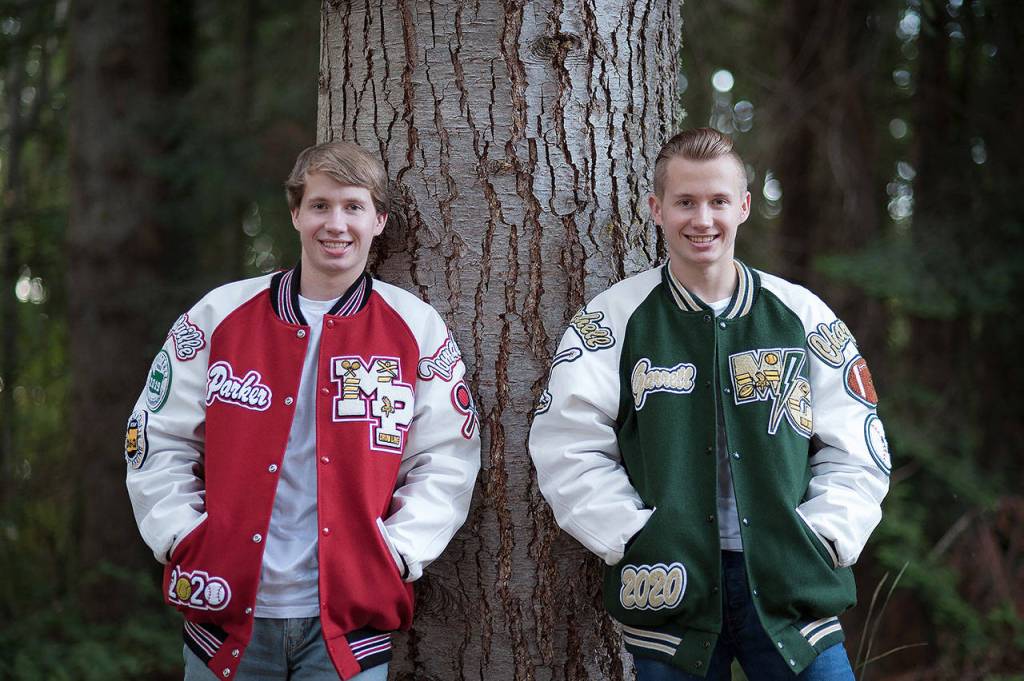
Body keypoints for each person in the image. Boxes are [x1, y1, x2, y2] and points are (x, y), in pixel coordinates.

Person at [528, 127, 890, 680]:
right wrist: (632, 536)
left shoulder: (800, 315)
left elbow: (858, 446)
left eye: (719, 201)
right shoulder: (614, 319)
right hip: (669, 591)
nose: (703, 219)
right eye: (686, 202)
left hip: (791, 588)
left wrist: (825, 536)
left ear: (743, 206)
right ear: (656, 208)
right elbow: (567, 443)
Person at [125, 141, 481, 681]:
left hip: (347, 623)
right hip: (224, 613)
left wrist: (399, 551)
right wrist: (183, 535)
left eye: (353, 207)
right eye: (319, 206)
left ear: (379, 220)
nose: (335, 224)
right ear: (295, 214)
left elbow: (448, 457)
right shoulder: (221, 315)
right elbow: (156, 436)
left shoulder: (415, 327)